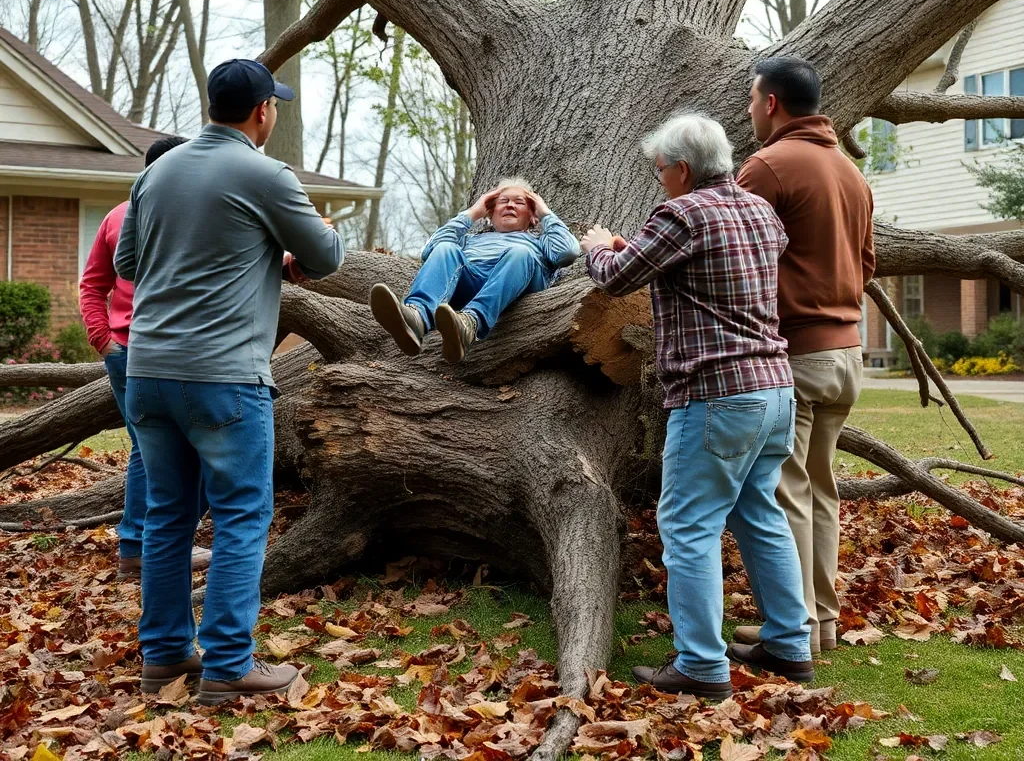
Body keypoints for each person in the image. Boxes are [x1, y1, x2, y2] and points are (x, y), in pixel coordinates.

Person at [114, 59, 343, 703]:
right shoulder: (265, 173)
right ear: (262, 111)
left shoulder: (157, 170)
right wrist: (292, 247)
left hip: (150, 369)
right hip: (224, 374)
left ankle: (163, 657)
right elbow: (323, 257)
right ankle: (228, 666)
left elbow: (128, 262)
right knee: (242, 516)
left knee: (167, 517)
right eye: (275, 107)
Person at [583, 113, 812, 700]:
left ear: (681, 169)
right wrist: (633, 249)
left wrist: (594, 248)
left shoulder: (681, 213)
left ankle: (702, 665)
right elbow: (705, 264)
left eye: (660, 170)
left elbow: (615, 278)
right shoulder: (759, 210)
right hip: (774, 389)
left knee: (687, 527)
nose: (658, 180)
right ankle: (789, 643)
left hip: (716, 395)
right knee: (760, 513)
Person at [736, 56, 874, 656]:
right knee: (820, 490)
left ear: (771, 104)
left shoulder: (769, 166)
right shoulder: (851, 172)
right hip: (847, 356)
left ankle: (792, 631)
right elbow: (867, 266)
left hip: (797, 355)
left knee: (785, 491)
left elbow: (729, 251)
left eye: (750, 100)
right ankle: (822, 622)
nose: (748, 110)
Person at [80, 135, 212, 581]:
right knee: (184, 447)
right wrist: (104, 339)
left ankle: (141, 546)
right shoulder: (129, 216)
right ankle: (152, 547)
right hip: (143, 351)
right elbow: (92, 283)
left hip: (147, 351)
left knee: (151, 449)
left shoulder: (128, 212)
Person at [369, 178, 580, 363]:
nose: (510, 206)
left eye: (520, 202)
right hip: (470, 281)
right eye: (503, 201)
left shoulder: (540, 243)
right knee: (446, 248)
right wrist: (473, 212)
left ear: (532, 216)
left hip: (516, 281)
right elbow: (429, 251)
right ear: (491, 212)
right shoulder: (469, 240)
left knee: (520, 252)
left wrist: (544, 212)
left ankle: (470, 323)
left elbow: (568, 251)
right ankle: (417, 318)